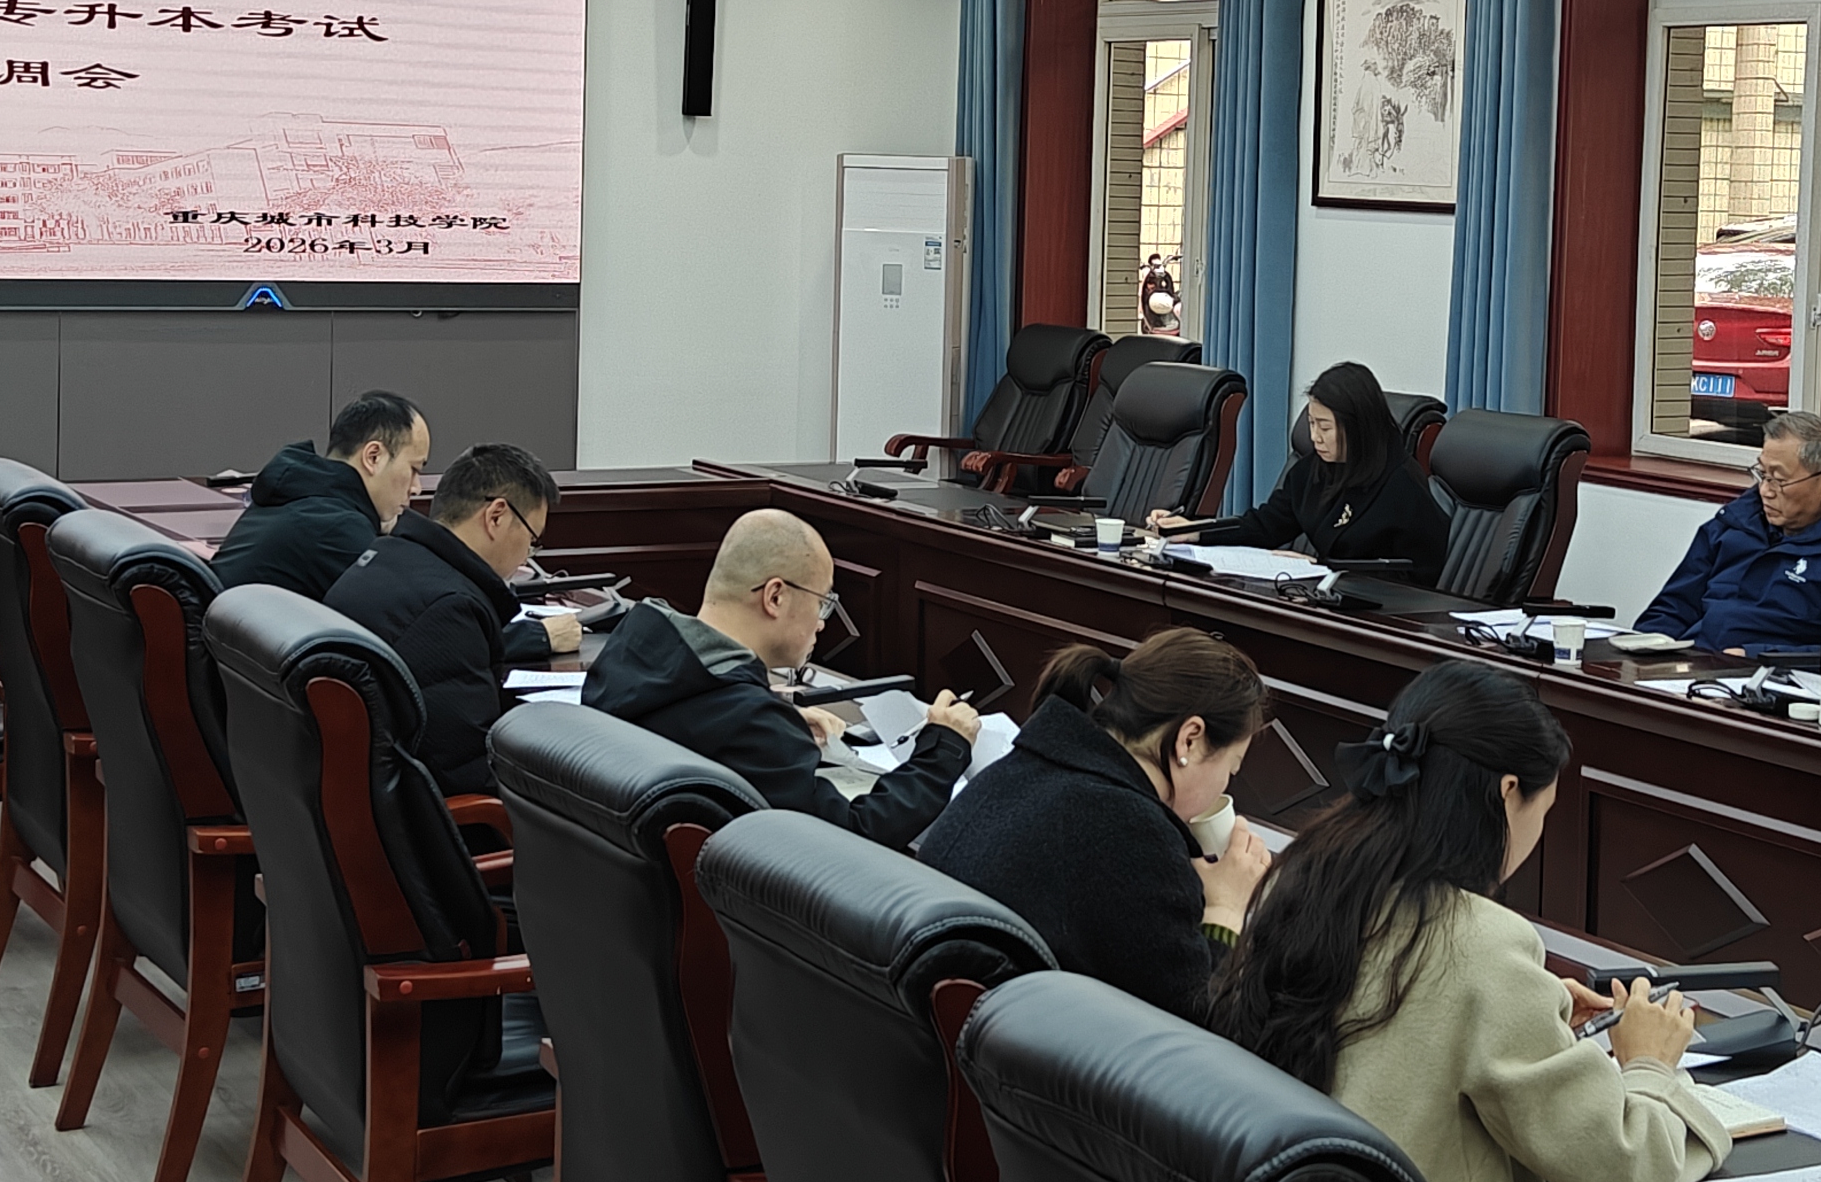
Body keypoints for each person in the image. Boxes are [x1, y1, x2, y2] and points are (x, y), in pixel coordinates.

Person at [1207, 659, 1744, 1182]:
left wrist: (1533, 1007)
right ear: (1508, 792)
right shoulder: (1484, 945)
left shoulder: (1308, 879)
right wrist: (1651, 1067)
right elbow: (1620, 1175)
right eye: (1544, 812)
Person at [923, 629, 1276, 1018]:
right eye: (1231, 768)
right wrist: (1227, 910)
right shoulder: (1133, 834)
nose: (1226, 785)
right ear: (1189, 740)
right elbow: (1198, 1021)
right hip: (1012, 1044)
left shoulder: (1019, 769)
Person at [584, 507, 981, 852]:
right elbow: (855, 835)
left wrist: (776, 716)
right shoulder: (747, 721)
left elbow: (697, 718)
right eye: (822, 602)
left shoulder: (631, 652)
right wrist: (943, 749)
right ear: (775, 597)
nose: (822, 623)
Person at [322, 443, 567, 797]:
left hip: (347, 789)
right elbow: (468, 774)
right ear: (496, 516)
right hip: (421, 818)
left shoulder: (385, 556)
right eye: (531, 540)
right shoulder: (451, 610)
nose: (526, 558)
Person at [1145, 360, 1450, 580]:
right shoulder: (1313, 470)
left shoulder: (1401, 484)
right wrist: (1194, 530)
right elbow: (1266, 526)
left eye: (1324, 427)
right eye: (1311, 424)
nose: (1315, 436)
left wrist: (1323, 568)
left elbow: (1415, 577)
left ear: (1357, 428)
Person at [1633, 408, 1821, 659]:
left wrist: (1754, 656)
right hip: (1689, 666)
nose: (1765, 491)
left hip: (1766, 678)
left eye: (1779, 480)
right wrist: (1646, 648)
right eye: (1762, 474)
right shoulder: (1734, 524)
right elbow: (1673, 607)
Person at [213, 391, 425, 600]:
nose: (416, 488)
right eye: (414, 469)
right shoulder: (338, 527)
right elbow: (406, 607)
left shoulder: (298, 496)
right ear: (373, 457)